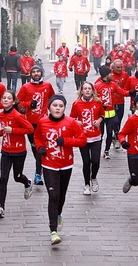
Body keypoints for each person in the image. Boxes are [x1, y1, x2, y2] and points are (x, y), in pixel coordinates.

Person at [34, 94, 87, 245]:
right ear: (49, 107)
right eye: (55, 105)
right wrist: (40, 147)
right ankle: (53, 231)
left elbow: (82, 140)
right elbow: (37, 137)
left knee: (61, 195)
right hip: (49, 164)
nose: (57, 108)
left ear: (64, 108)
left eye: (61, 106)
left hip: (66, 164)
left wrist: (66, 141)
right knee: (53, 195)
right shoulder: (42, 122)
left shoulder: (71, 122)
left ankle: (59, 213)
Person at [0, 91, 35, 218]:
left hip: (19, 151)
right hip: (6, 151)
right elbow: (5, 127)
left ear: (13, 101)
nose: (6, 100)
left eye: (9, 98)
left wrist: (13, 131)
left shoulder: (18, 115)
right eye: (4, 98)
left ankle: (27, 182)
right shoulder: (1, 114)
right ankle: (1, 207)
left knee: (17, 177)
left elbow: (30, 129)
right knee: (3, 178)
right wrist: (0, 133)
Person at [17, 65, 55, 185]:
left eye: (38, 71)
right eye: (34, 72)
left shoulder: (47, 86)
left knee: (41, 148)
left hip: (43, 123)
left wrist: (53, 115)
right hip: (29, 124)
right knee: (35, 149)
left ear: (41, 73)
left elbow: (53, 100)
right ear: (30, 74)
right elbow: (17, 103)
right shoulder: (25, 87)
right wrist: (29, 104)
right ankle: (39, 167)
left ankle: (38, 174)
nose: (36, 74)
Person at [70, 82, 104, 195]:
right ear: (81, 91)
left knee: (95, 161)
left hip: (96, 137)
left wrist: (99, 121)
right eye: (85, 89)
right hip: (83, 138)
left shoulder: (98, 102)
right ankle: (86, 184)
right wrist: (76, 122)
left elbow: (102, 115)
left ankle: (93, 177)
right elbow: (71, 118)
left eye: (90, 88)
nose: (88, 90)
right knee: (86, 161)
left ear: (93, 90)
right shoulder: (76, 104)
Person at [94, 66, 130, 159]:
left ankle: (106, 150)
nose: (112, 75)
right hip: (100, 115)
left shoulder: (113, 85)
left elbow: (121, 92)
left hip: (111, 114)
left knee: (109, 133)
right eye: (110, 73)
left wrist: (130, 93)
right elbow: (93, 99)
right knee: (100, 134)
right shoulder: (97, 86)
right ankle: (97, 151)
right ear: (106, 75)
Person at [111, 59, 130, 150]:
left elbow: (127, 86)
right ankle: (116, 137)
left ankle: (115, 136)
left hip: (121, 101)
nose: (119, 69)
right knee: (115, 121)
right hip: (111, 103)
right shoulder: (109, 75)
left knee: (119, 119)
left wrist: (126, 92)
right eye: (117, 67)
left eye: (121, 67)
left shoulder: (125, 75)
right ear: (113, 67)